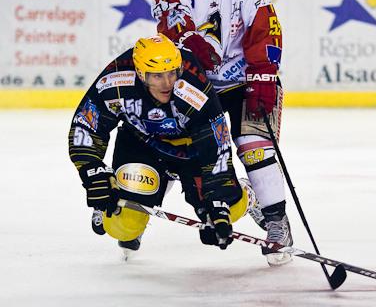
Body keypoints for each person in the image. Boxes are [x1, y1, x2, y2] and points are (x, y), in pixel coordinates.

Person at [151, 0, 291, 265]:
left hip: (247, 80)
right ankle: (140, 209)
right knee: (175, 150)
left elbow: (265, 27)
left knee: (254, 148)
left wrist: (263, 75)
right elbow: (174, 31)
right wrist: (190, 44)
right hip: (198, 87)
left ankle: (277, 223)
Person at [68, 33, 261, 256]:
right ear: (140, 73)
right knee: (123, 226)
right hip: (141, 144)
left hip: (191, 150)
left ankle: (248, 195)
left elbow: (216, 144)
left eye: (172, 73)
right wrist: (94, 173)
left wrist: (219, 201)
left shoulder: (193, 86)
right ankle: (127, 202)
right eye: (157, 76)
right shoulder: (116, 80)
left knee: (229, 208)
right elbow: (86, 126)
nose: (167, 83)